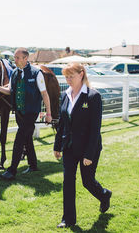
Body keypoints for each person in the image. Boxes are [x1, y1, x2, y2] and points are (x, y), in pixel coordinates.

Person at [53, 62, 111, 228]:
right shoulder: (65, 95)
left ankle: (104, 195)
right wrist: (57, 146)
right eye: (66, 76)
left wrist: (89, 154)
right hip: (69, 147)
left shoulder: (93, 97)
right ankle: (68, 219)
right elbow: (62, 123)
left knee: (87, 181)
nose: (68, 79)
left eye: (71, 76)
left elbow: (95, 128)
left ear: (81, 74)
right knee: (68, 182)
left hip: (88, 148)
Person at [0, 48, 52, 180]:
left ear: (25, 58)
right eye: (15, 57)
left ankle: (12, 170)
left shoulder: (36, 73)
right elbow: (10, 90)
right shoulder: (15, 73)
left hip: (31, 112)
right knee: (27, 138)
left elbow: (44, 93)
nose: (14, 60)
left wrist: (48, 113)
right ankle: (33, 164)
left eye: (17, 58)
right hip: (19, 112)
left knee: (19, 139)